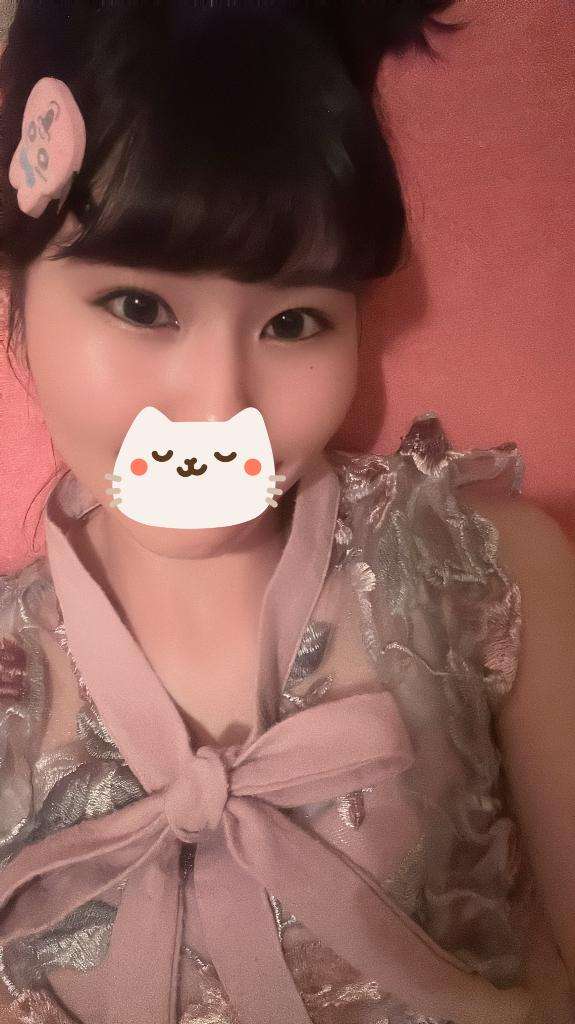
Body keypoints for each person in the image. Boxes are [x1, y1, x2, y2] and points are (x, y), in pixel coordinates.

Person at [0, 2, 573, 1022]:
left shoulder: (483, 578)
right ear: (16, 288)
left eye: (295, 320)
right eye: (140, 306)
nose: (220, 408)